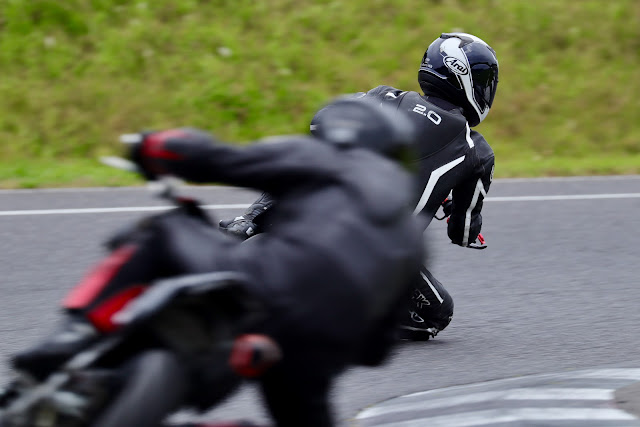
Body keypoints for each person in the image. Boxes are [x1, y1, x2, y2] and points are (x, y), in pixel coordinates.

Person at [9, 98, 426, 427]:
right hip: (317, 347)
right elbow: (376, 351)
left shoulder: (328, 158)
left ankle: (71, 335)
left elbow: (216, 158)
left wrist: (152, 146)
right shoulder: (412, 239)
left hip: (264, 283)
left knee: (163, 232)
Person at [219, 32, 499, 341]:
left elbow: (320, 123)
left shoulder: (385, 96)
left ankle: (251, 220)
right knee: (437, 313)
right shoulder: (476, 150)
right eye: (484, 79)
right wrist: (451, 204)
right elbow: (462, 232)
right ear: (463, 76)